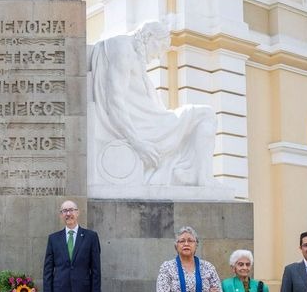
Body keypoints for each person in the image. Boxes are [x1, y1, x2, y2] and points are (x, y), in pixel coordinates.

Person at [90, 20, 217, 186]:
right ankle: (200, 177)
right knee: (205, 114)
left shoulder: (136, 55)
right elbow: (115, 99)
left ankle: (191, 173)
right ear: (149, 36)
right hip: (143, 127)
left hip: (154, 121)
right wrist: (137, 142)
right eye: (161, 47)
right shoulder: (122, 46)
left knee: (205, 115)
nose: (158, 56)